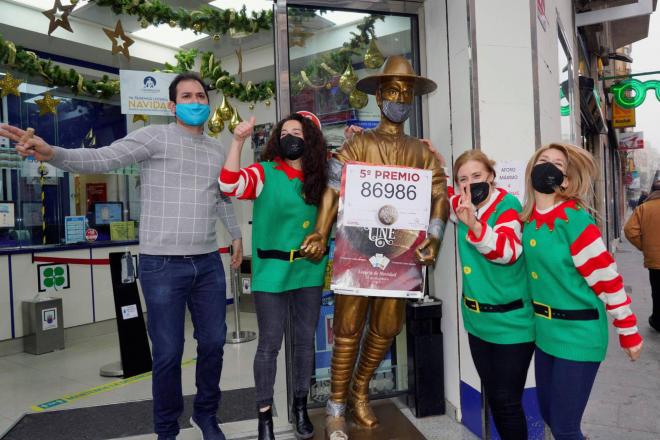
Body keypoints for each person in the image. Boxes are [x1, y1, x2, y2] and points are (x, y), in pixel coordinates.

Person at [0, 72, 243, 440]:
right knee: (167, 353)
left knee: (212, 343)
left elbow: (221, 195)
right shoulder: (154, 137)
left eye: (201, 96)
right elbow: (102, 158)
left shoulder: (215, 149)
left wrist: (236, 234)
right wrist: (53, 153)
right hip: (161, 264)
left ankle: (206, 415)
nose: (196, 102)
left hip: (207, 262)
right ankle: (166, 429)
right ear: (172, 105)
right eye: (187, 97)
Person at [301, 55, 449, 439]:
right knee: (348, 327)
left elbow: (439, 196)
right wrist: (320, 231)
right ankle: (335, 406)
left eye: (406, 93)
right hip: (357, 251)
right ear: (380, 96)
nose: (400, 99)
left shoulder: (423, 153)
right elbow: (334, 188)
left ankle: (360, 391)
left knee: (387, 327)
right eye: (393, 91)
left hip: (401, 256)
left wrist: (433, 236)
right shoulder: (357, 145)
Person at [521, 142, 643, 440]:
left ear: (565, 179)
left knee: (565, 427)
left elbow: (607, 279)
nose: (548, 166)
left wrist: (627, 328)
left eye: (558, 164)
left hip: (579, 333)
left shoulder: (574, 221)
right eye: (543, 160)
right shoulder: (529, 221)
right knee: (550, 414)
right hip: (546, 333)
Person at [219, 113, 329, 440]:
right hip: (272, 272)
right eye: (285, 132)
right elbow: (228, 183)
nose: (291, 136)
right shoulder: (264, 172)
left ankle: (299, 406)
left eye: (298, 132)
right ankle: (264, 416)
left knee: (304, 342)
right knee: (269, 345)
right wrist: (237, 140)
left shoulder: (321, 178)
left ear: (311, 139)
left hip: (308, 270)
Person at [449, 150, 534, 440]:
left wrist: (474, 224)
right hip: (477, 321)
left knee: (507, 401)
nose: (470, 184)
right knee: (496, 399)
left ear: (491, 176)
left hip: (512, 323)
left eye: (476, 176)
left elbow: (508, 252)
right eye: (463, 179)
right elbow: (443, 190)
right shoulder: (461, 204)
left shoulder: (507, 205)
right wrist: (434, 160)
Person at [624, 178, 660, 332]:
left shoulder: (644, 208)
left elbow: (629, 230)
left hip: (655, 259)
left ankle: (657, 321)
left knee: (657, 291)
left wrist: (645, 247)